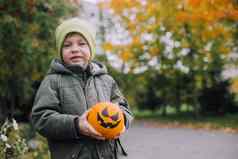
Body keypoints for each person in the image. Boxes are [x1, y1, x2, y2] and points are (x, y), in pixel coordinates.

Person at [31, 18, 133, 159]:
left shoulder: (106, 80)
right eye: (67, 45)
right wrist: (76, 125)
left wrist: (122, 121)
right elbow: (41, 118)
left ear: (91, 48)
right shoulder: (52, 81)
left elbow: (124, 108)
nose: (75, 49)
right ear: (60, 52)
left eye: (82, 44)